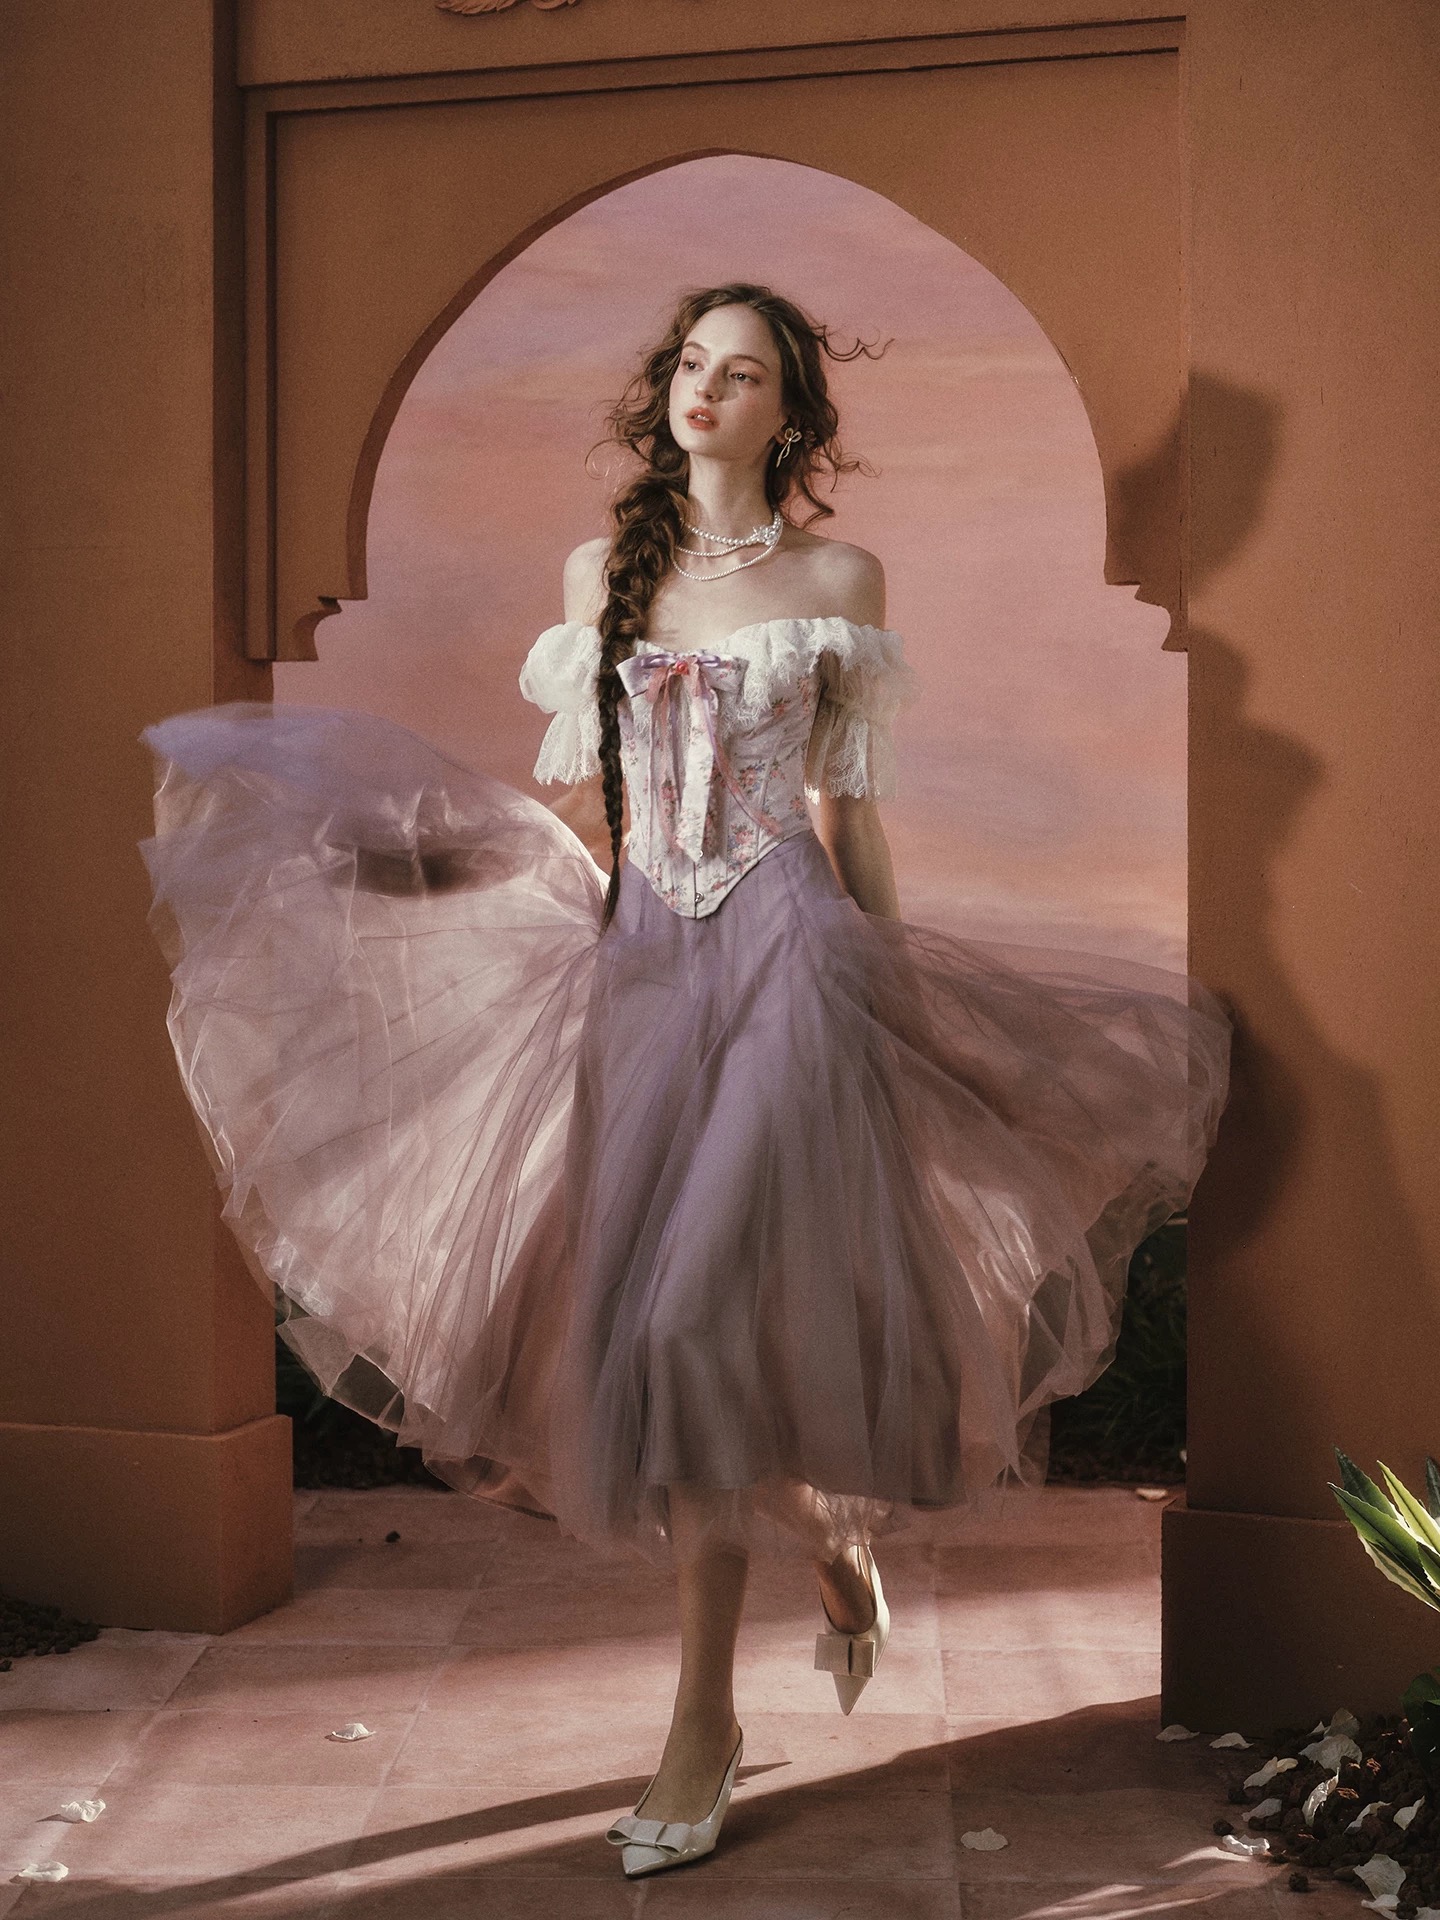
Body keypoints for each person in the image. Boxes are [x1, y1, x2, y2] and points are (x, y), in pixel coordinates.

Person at [139, 282, 1231, 1881]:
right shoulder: (602, 575)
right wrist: (444, 870)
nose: (710, 390)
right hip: (641, 974)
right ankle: (828, 1534)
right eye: (694, 366)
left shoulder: (841, 581)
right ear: (669, 391)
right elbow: (593, 813)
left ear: (792, 413)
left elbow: (852, 821)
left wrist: (900, 1002)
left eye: (746, 372)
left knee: (690, 1323)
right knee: (663, 1337)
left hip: (794, 960)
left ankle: (701, 1723)